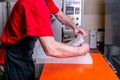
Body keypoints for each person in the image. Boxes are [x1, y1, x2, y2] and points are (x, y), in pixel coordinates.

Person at [0, 0, 89, 80]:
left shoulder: (45, 1)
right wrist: (81, 51)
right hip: (11, 60)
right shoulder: (35, 2)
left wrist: (74, 27)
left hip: (24, 57)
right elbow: (51, 48)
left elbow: (59, 14)